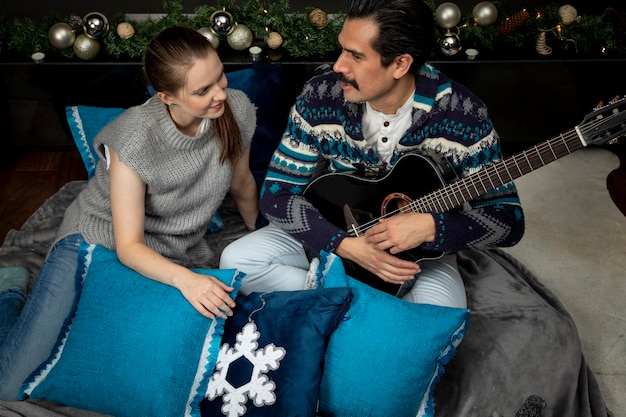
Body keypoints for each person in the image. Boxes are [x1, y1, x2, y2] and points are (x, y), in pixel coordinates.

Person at [0, 25, 259, 400]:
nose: (221, 93)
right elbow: (129, 247)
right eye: (203, 90)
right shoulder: (134, 138)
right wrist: (187, 280)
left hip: (168, 249)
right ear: (167, 96)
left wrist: (259, 229)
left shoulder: (236, 109)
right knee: (9, 385)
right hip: (95, 243)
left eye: (219, 75)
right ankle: (9, 290)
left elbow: (242, 183)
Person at [220, 0, 524, 306]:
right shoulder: (319, 96)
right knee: (236, 260)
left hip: (418, 256)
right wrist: (344, 245)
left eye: (356, 56)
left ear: (400, 64)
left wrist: (433, 228)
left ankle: (338, 304)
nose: (338, 65)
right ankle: (367, 309)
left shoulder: (463, 115)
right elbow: (276, 195)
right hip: (332, 230)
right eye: (342, 50)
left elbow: (509, 221)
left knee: (438, 318)